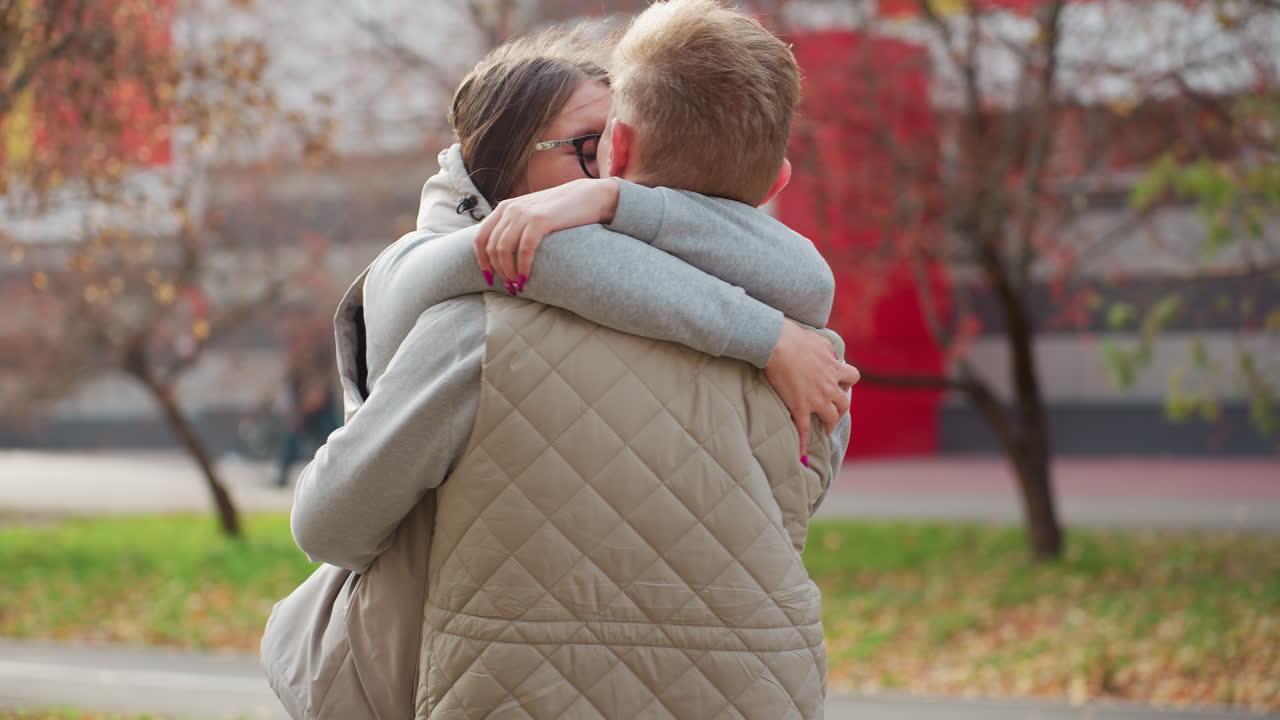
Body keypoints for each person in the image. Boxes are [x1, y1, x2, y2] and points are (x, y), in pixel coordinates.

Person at [264, 14, 854, 720]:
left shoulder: (475, 337)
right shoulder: (815, 358)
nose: (611, 173)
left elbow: (329, 527)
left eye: (613, 147)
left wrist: (609, 204)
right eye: (585, 150)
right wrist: (764, 335)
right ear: (495, 173)